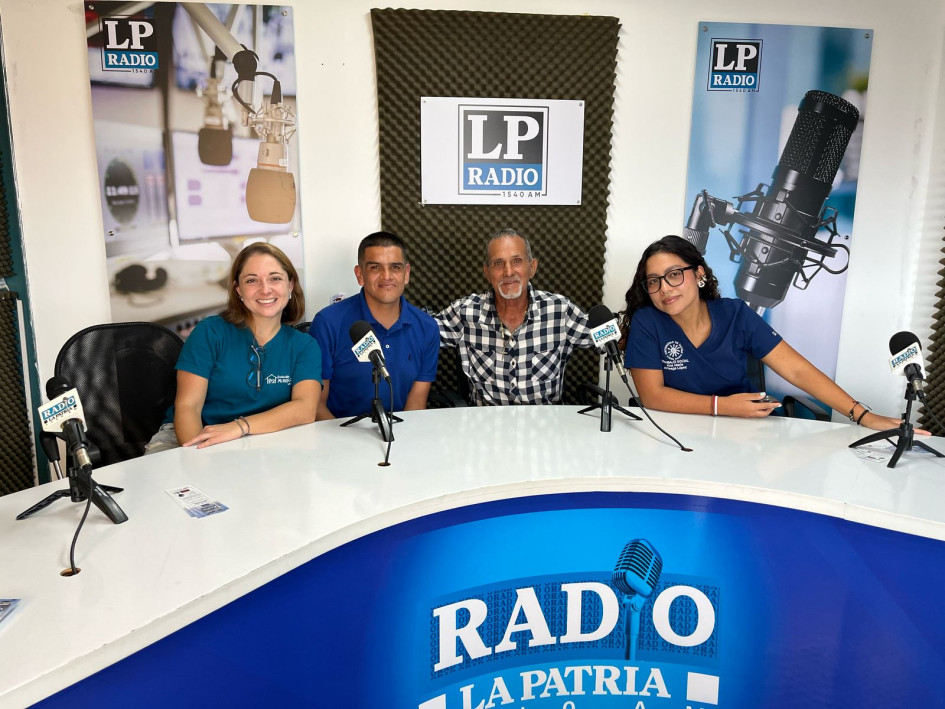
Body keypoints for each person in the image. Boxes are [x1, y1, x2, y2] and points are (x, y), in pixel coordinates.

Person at [618, 234, 920, 432]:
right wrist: (720, 406)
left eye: (674, 275)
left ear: (699, 274)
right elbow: (652, 396)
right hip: (676, 432)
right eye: (654, 281)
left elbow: (796, 369)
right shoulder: (648, 321)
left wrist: (862, 415)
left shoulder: (734, 313)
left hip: (745, 431)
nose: (665, 289)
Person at [145, 243, 322, 452]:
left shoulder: (304, 345)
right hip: (195, 434)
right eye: (252, 280)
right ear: (238, 289)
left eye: (275, 278)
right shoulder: (210, 332)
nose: (265, 289)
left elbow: (304, 409)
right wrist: (198, 455)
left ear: (290, 285)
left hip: (266, 435)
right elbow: (188, 407)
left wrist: (239, 427)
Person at [436, 227, 592, 405]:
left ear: (532, 267)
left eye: (517, 261)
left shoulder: (560, 311)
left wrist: (624, 326)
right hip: (485, 428)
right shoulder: (466, 313)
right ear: (487, 273)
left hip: (545, 428)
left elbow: (611, 338)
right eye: (498, 263)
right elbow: (418, 330)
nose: (508, 272)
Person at [310, 231, 439, 419]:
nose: (386, 276)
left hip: (400, 435)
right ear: (360, 274)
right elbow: (317, 406)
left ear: (406, 273)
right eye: (375, 268)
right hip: (339, 435)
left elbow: (416, 406)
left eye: (395, 267)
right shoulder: (328, 323)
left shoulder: (427, 327)